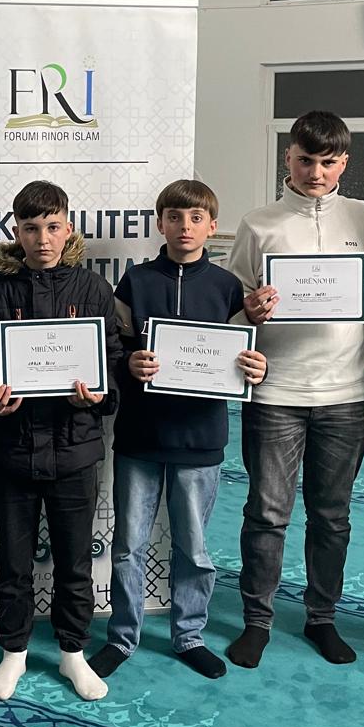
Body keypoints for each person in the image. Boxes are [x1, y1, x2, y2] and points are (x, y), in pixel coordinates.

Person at [225, 110, 364, 669]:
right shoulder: (259, 224)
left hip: (347, 391)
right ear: (287, 158)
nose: (316, 173)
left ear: (345, 163)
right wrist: (249, 311)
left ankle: (322, 618)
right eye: (305, 160)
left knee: (332, 515)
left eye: (328, 162)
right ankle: (256, 621)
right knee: (267, 514)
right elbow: (231, 304)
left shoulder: (362, 217)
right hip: (276, 393)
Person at [90, 179, 266, 682]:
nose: (184, 227)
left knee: (193, 547)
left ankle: (189, 634)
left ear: (212, 226)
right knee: (128, 545)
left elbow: (243, 356)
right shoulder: (135, 282)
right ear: (160, 223)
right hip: (140, 436)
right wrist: (129, 366)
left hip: (200, 438)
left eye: (195, 218)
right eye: (174, 217)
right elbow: (115, 350)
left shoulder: (228, 288)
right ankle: (122, 636)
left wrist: (256, 369)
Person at [0, 180, 124, 702]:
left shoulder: (94, 290)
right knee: (13, 564)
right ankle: (12, 652)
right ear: (15, 230)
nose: (42, 239)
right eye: (31, 228)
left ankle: (72, 653)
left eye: (53, 227)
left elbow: (112, 368)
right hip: (14, 451)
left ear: (68, 229)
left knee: (75, 563)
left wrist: (98, 397)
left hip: (75, 450)